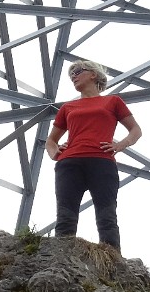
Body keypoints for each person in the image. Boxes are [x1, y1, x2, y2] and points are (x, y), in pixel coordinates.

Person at [44, 59, 142, 252]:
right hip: (69, 163)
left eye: (78, 71)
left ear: (93, 75)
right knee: (65, 216)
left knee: (107, 216)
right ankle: (61, 261)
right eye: (71, 74)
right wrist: (55, 154)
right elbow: (50, 141)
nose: (74, 76)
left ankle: (112, 262)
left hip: (102, 162)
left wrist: (121, 144)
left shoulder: (112, 101)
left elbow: (135, 130)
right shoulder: (67, 108)